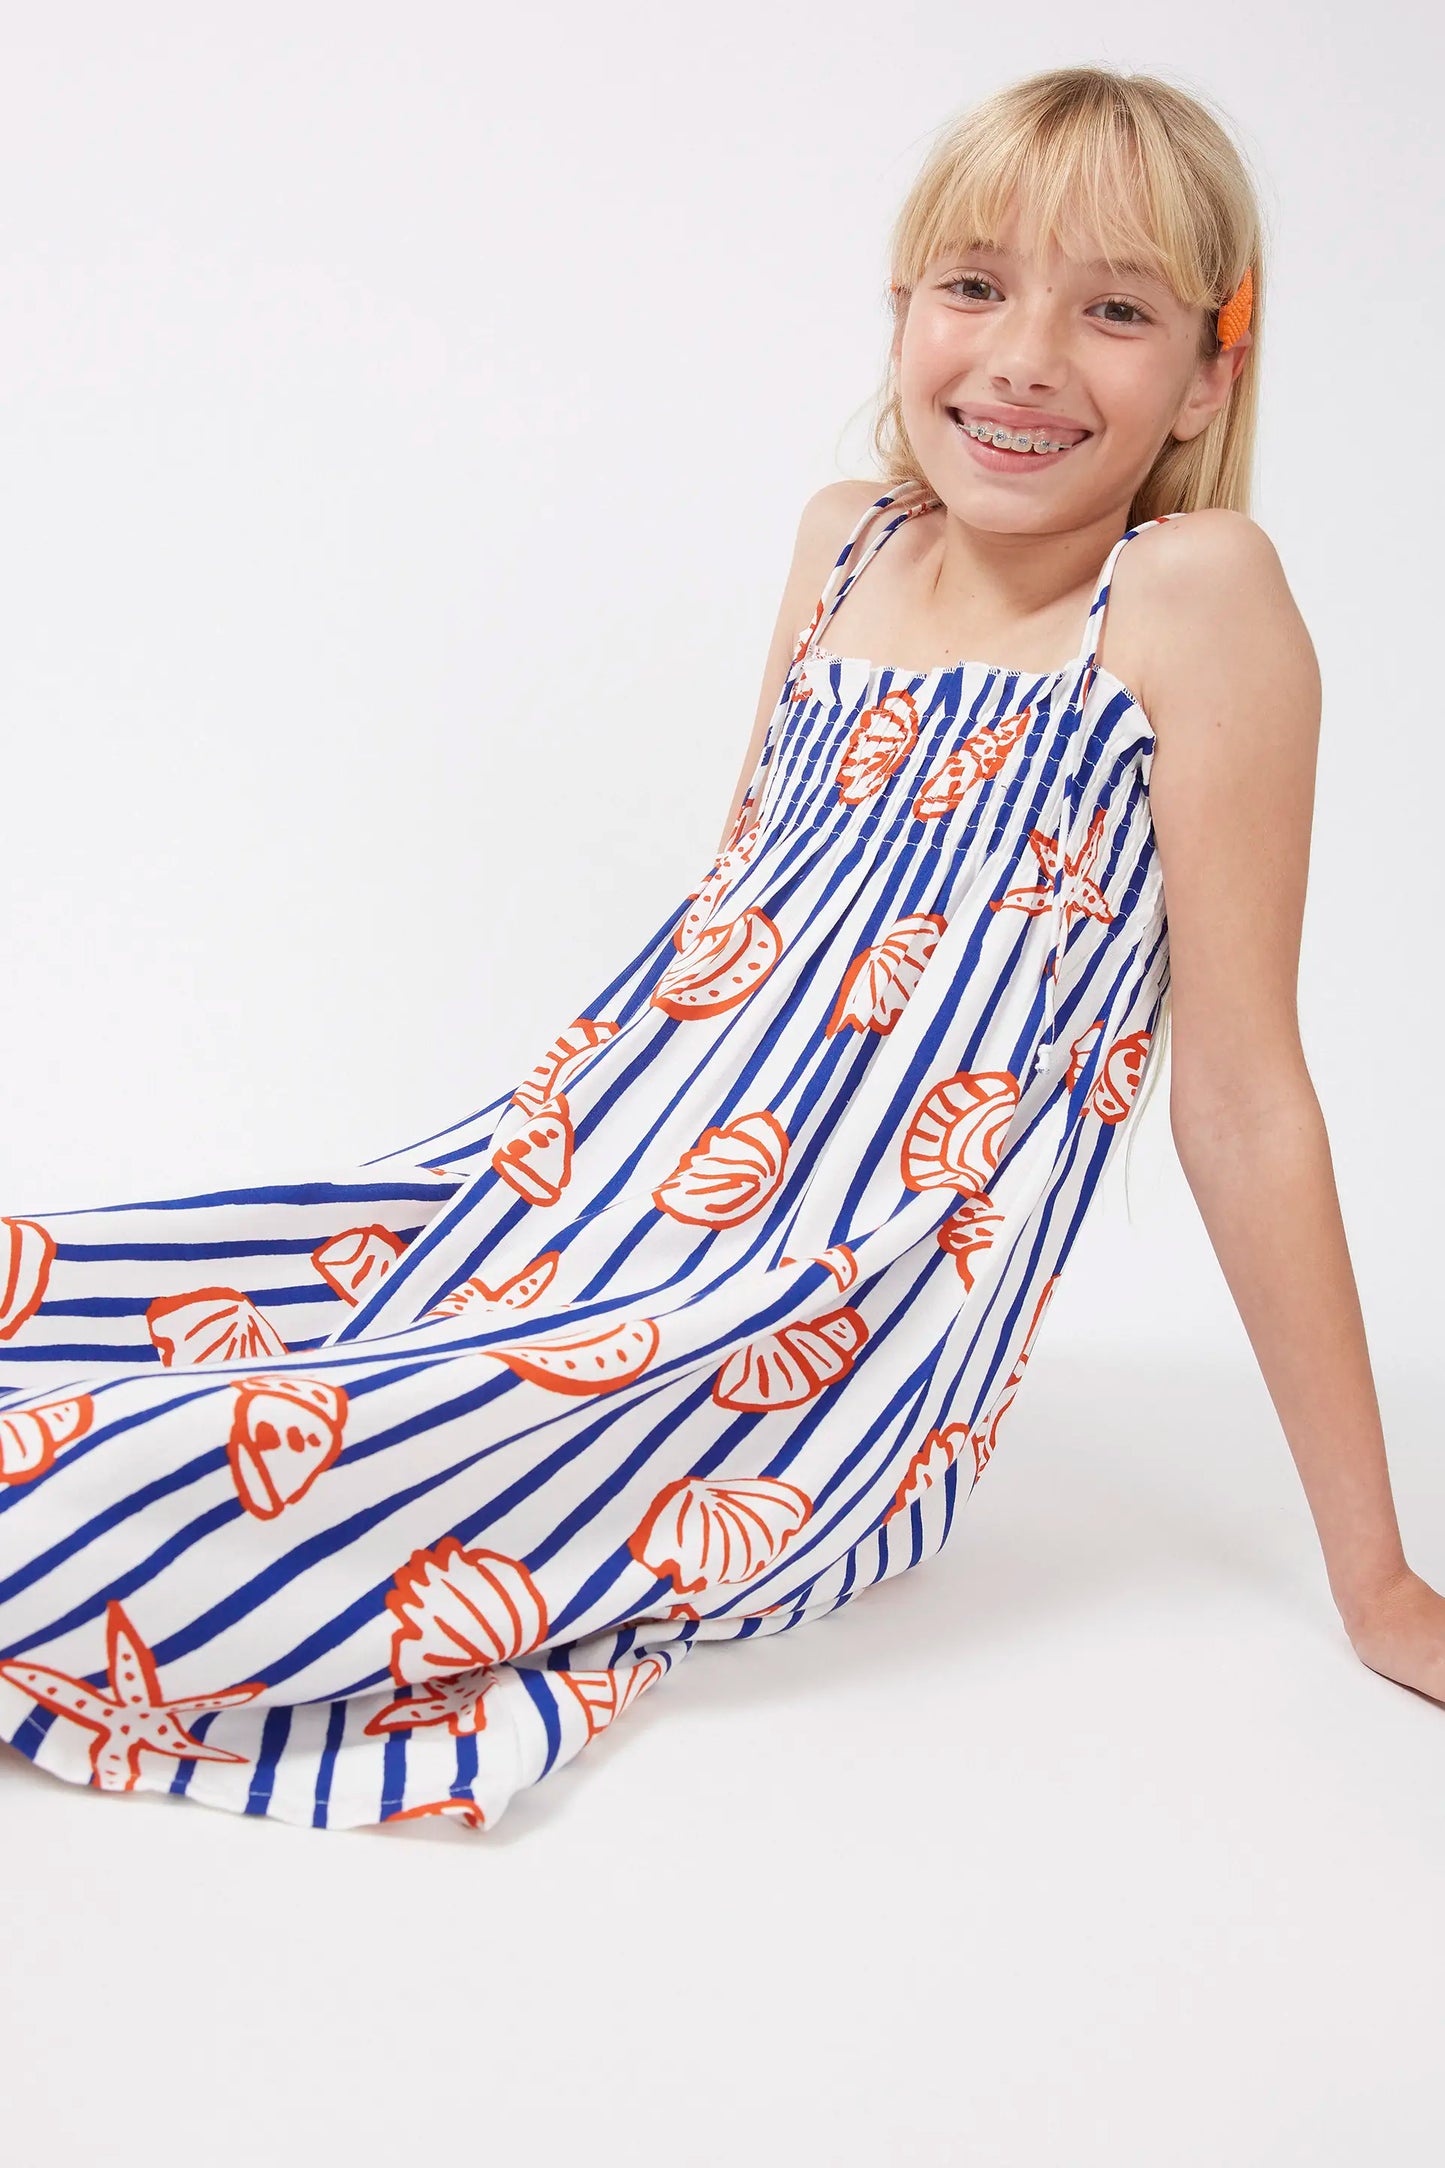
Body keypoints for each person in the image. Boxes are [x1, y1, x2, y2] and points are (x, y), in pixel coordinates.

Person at [1, 64, 1435, 1838]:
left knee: (150, 1479)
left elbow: (1243, 1097)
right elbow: (735, 934)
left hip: (792, 1342)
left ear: (1209, 372)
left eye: (1115, 311)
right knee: (98, 1295)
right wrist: (530, 1213)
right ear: (901, 313)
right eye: (974, 284)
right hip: (580, 1193)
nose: (1024, 359)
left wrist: (1375, 1579)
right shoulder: (846, 543)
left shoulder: (1190, 596)